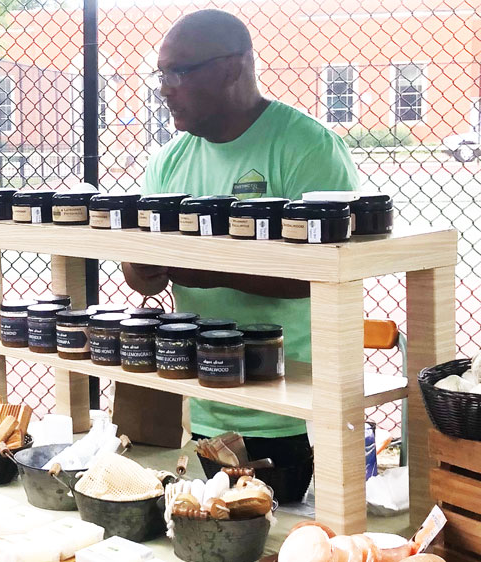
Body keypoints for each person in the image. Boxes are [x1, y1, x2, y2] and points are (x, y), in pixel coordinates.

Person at [122, 9, 360, 495]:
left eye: (179, 72)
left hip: (289, 398)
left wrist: (205, 269)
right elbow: (145, 274)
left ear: (233, 67)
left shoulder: (307, 147)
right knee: (217, 524)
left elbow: (327, 274)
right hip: (201, 389)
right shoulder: (169, 161)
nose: (165, 87)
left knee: (278, 525)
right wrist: (142, 269)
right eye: (161, 73)